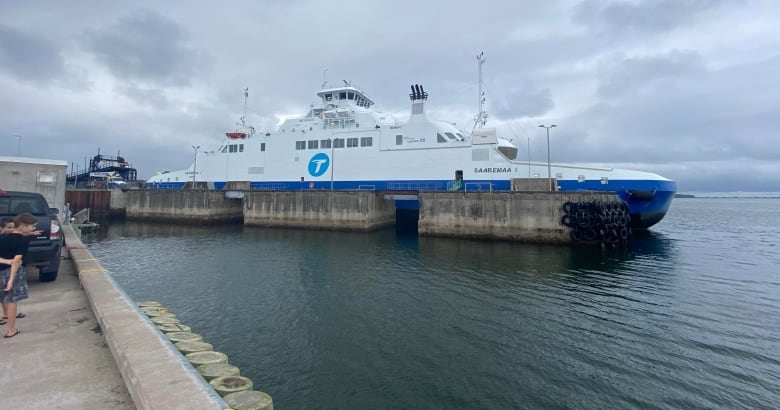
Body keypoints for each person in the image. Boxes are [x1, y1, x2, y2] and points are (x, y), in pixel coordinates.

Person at [0, 213, 36, 338]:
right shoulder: (22, 241)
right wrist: (11, 280)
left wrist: (5, 261)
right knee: (12, 300)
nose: (33, 229)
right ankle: (11, 330)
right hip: (12, 272)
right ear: (22, 226)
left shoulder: (3, 237)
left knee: (3, 297)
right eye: (32, 226)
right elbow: (16, 261)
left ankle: (4, 317)